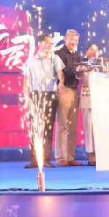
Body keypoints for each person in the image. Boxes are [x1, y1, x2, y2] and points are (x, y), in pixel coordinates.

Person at [22, 33, 63, 169]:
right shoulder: (31, 61)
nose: (50, 46)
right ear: (41, 43)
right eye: (48, 43)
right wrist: (27, 96)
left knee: (48, 128)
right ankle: (35, 159)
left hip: (50, 95)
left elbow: (61, 76)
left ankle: (46, 159)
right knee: (35, 128)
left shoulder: (55, 58)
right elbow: (27, 80)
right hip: (35, 95)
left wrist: (60, 89)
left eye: (52, 44)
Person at [54, 29, 83, 166]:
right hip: (64, 90)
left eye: (76, 40)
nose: (74, 42)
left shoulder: (77, 55)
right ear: (65, 39)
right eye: (72, 39)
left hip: (75, 90)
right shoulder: (59, 54)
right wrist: (78, 69)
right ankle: (61, 157)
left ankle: (70, 157)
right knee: (62, 125)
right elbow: (63, 72)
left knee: (73, 126)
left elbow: (78, 73)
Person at [77, 43, 100, 166]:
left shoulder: (102, 64)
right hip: (87, 96)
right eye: (91, 49)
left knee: (99, 127)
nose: (94, 52)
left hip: (100, 99)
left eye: (96, 50)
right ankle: (91, 154)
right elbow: (77, 73)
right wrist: (85, 68)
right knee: (89, 126)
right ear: (86, 52)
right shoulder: (82, 64)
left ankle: (100, 153)